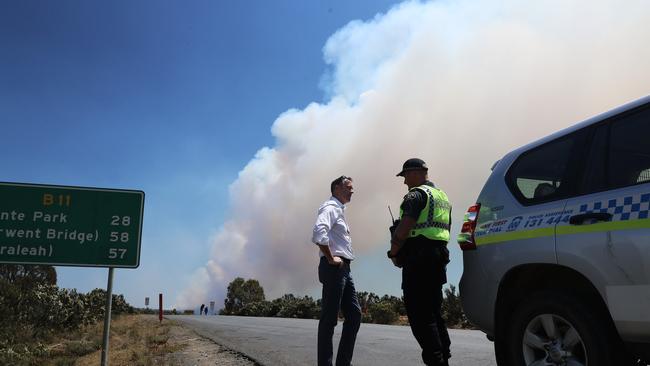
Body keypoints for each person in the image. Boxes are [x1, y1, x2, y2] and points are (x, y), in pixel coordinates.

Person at [388, 158, 452, 366]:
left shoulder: (415, 195)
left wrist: (394, 252)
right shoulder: (442, 196)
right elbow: (446, 228)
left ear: (415, 173)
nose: (404, 181)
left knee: (420, 316)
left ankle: (435, 360)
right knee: (434, 311)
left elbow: (405, 226)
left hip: (419, 258)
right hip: (438, 257)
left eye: (405, 176)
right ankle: (444, 355)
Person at [311, 175, 361, 366]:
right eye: (348, 187)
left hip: (344, 269)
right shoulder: (330, 208)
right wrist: (331, 258)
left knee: (354, 316)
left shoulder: (339, 210)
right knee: (329, 319)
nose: (352, 190)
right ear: (337, 188)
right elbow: (318, 232)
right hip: (334, 268)